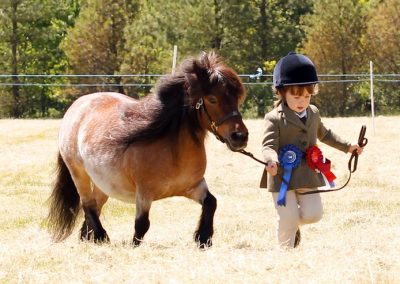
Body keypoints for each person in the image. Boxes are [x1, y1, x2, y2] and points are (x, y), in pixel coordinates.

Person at [259, 52, 364, 248]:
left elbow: (325, 134)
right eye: (296, 96)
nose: (302, 101)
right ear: (282, 92)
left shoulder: (313, 112)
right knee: (288, 218)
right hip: (282, 176)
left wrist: (348, 146)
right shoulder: (273, 118)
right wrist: (271, 160)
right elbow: (268, 145)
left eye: (307, 96)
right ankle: (285, 253)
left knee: (314, 215)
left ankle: (288, 224)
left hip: (308, 174)